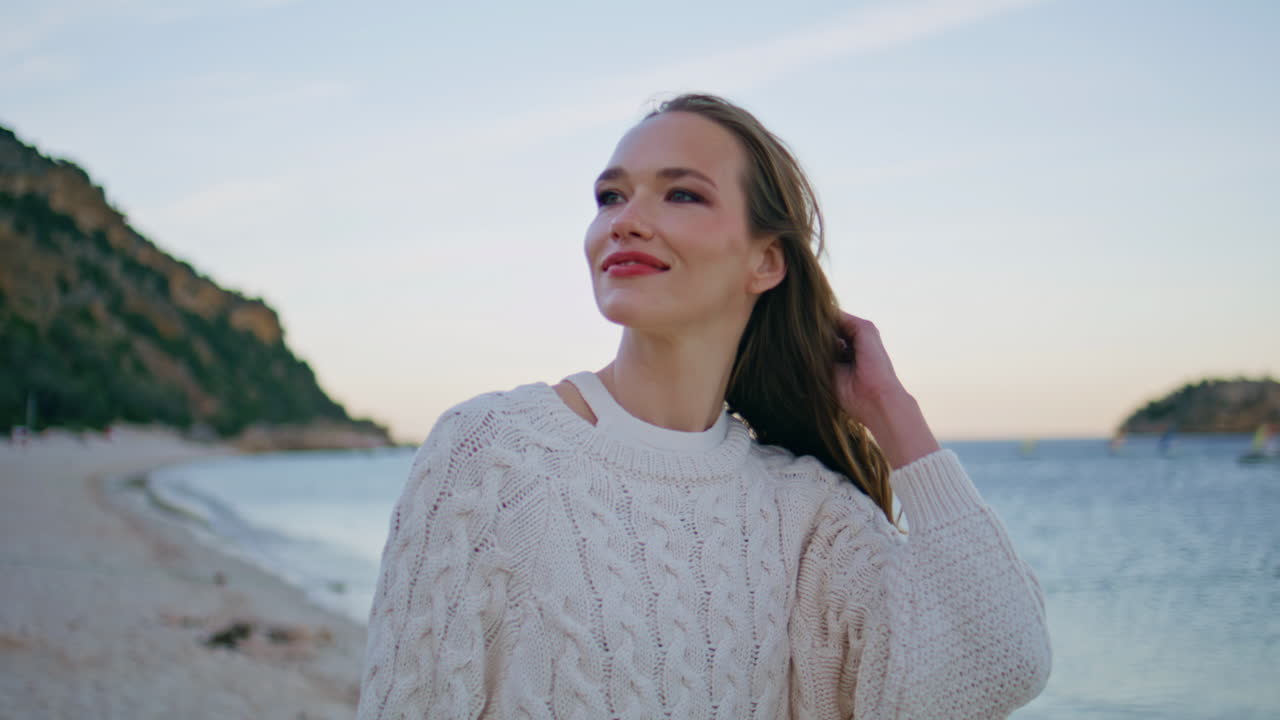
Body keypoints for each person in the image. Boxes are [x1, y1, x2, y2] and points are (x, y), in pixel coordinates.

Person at [355, 94, 1052, 719]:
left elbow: (999, 662)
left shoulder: (803, 512)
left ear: (766, 262)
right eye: (610, 197)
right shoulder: (491, 453)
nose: (627, 221)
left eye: (681, 195)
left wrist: (893, 412)